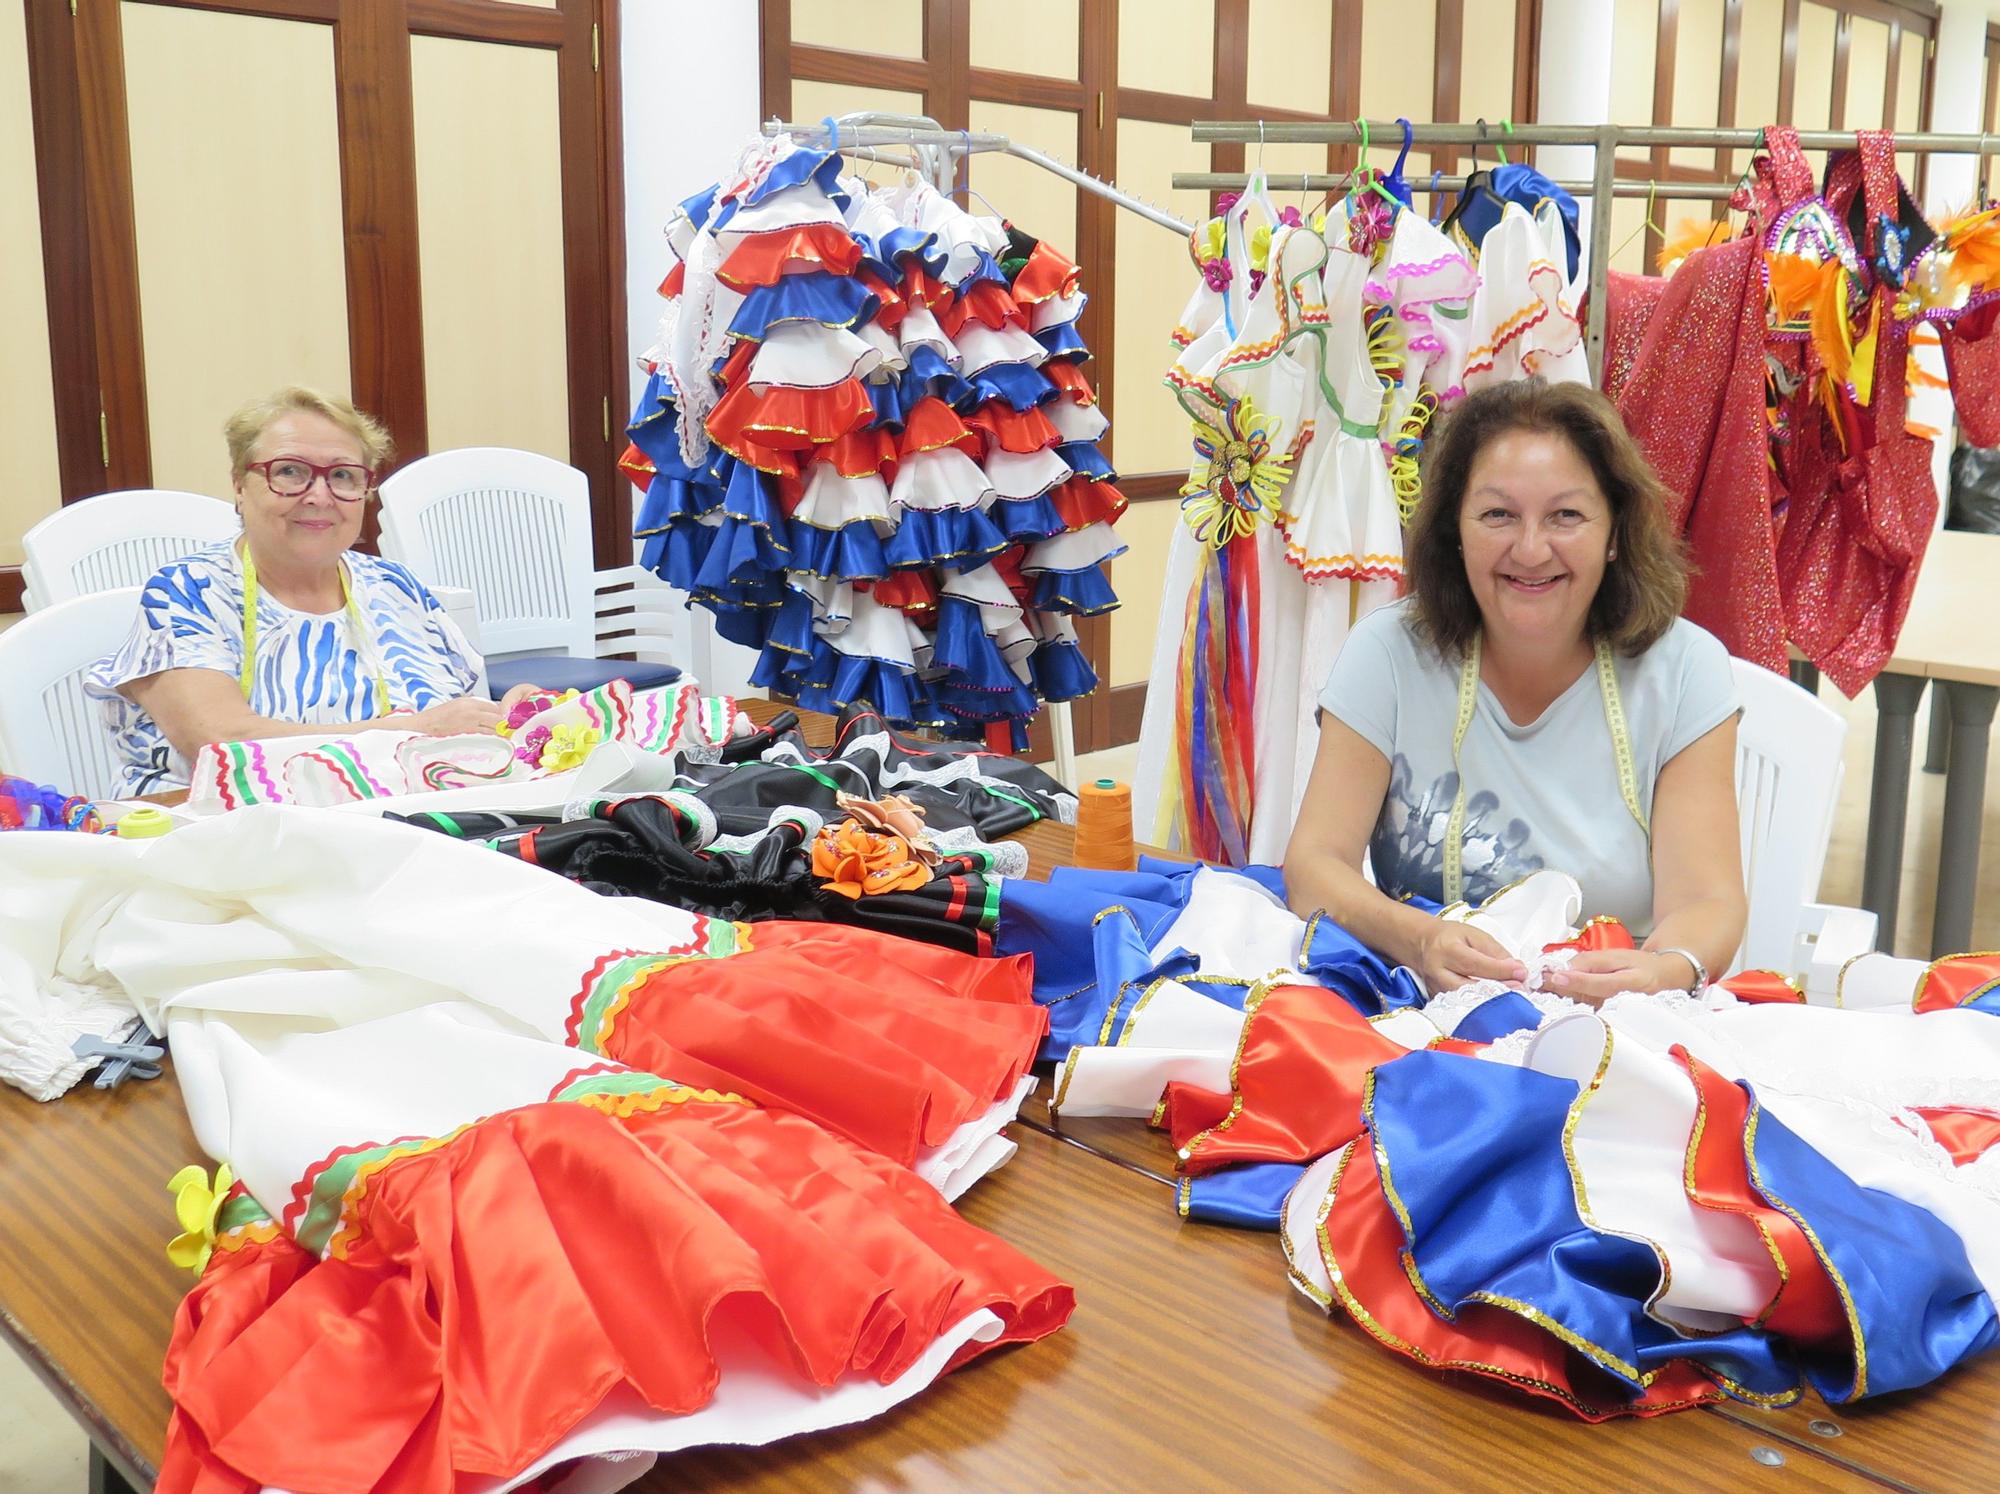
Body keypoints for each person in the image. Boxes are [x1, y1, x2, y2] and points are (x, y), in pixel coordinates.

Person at [1284, 380, 1745, 1003]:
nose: (1531, 550)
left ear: (1615, 533)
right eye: (1499, 514)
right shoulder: (1385, 654)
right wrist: (1418, 938)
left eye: (1567, 516)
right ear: (1455, 529)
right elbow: (1314, 865)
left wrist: (1661, 973)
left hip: (1615, 1031)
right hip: (1413, 1010)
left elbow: (1708, 902)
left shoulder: (1688, 670)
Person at [87, 387, 537, 795]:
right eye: (289, 472)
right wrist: (415, 729)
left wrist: (510, 717)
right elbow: (221, 742)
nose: (319, 495)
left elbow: (457, 717)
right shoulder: (189, 594)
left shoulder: (397, 588)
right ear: (240, 485)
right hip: (222, 840)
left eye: (343, 476)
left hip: (401, 828)